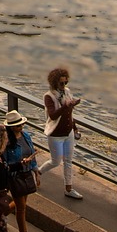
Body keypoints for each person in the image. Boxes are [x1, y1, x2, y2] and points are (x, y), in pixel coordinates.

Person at [0, 109, 42, 232]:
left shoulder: (26, 136)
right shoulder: (6, 142)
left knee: (21, 203)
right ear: (11, 127)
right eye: (18, 125)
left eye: (21, 124)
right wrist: (19, 164)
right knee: (22, 207)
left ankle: (2, 213)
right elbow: (4, 163)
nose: (21, 127)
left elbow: (32, 152)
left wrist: (35, 171)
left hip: (27, 173)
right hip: (14, 176)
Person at [42, 67, 84, 200]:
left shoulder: (67, 92)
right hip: (56, 134)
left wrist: (75, 128)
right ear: (55, 83)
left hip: (68, 133)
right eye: (61, 83)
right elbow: (53, 115)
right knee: (55, 162)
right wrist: (65, 106)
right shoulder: (49, 96)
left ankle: (68, 188)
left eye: (66, 82)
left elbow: (69, 114)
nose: (64, 85)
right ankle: (37, 172)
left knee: (68, 161)